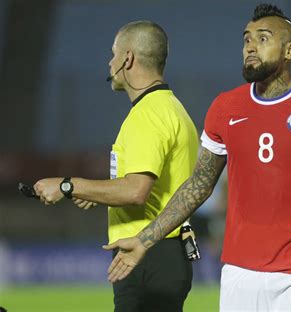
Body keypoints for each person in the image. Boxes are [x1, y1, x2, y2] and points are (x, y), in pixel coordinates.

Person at [105, 4, 291, 311]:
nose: (250, 46)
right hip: (238, 274)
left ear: (290, 49)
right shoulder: (225, 108)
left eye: (262, 38)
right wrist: (144, 240)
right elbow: (198, 186)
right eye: (246, 39)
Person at [33, 21, 198, 312]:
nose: (109, 62)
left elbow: (136, 190)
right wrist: (94, 193)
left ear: (127, 58)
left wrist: (66, 185)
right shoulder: (172, 108)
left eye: (113, 54)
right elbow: (153, 188)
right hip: (167, 253)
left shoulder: (147, 115)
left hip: (147, 255)